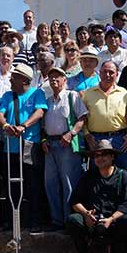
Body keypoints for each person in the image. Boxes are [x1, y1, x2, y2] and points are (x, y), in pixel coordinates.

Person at [67, 139, 127, 253]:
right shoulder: (88, 176)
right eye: (96, 155)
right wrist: (86, 214)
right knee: (73, 220)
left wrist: (110, 219)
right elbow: (75, 201)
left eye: (104, 154)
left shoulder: (124, 176)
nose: (100, 158)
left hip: (114, 221)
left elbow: (126, 205)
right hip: (92, 220)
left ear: (112, 156)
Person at [0, 63, 48, 233]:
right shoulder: (7, 95)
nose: (11, 79)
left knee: (32, 183)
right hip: (10, 147)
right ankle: (11, 221)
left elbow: (40, 112)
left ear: (24, 80)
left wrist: (24, 126)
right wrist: (5, 126)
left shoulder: (36, 93)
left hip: (30, 144)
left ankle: (34, 220)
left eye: (15, 77)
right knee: (11, 186)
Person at [43, 67, 87, 229]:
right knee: (51, 183)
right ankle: (56, 220)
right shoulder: (47, 100)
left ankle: (70, 220)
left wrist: (71, 133)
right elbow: (43, 125)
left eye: (58, 77)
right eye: (51, 78)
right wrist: (43, 140)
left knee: (69, 183)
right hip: (50, 144)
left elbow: (82, 118)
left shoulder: (72, 96)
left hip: (66, 144)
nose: (54, 80)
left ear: (65, 80)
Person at [82, 60, 127, 171]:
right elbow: (82, 118)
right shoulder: (88, 93)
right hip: (96, 140)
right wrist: (87, 135)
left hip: (119, 139)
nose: (107, 75)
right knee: (96, 174)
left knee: (122, 172)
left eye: (111, 72)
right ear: (99, 73)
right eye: (104, 72)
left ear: (117, 74)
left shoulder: (124, 93)